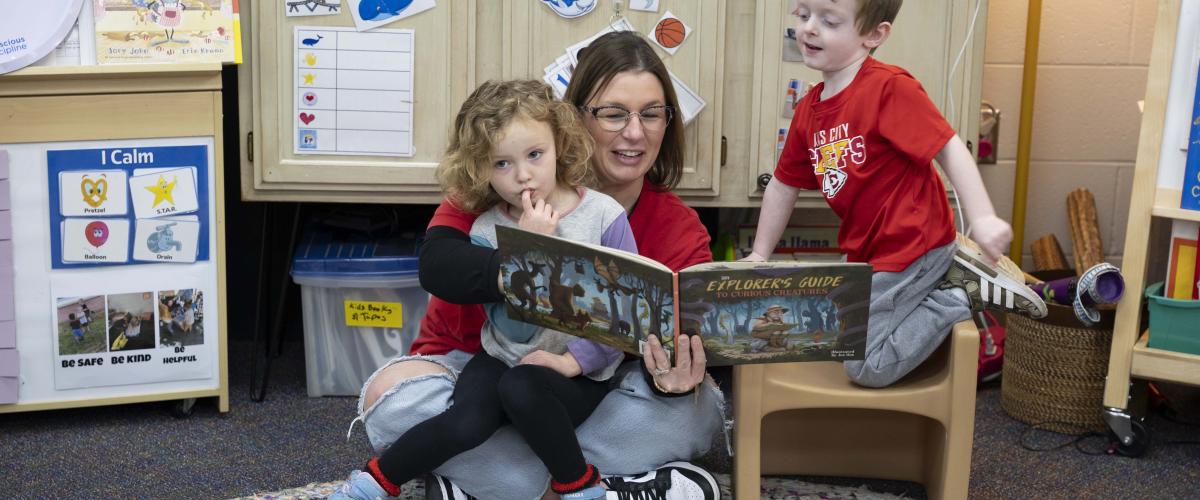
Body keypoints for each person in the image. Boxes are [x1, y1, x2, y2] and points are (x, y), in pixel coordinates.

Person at [347, 32, 723, 500]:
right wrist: (529, 260)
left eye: (651, 113)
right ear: (574, 118)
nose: (634, 132)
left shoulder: (675, 225)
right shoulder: (499, 184)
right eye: (613, 113)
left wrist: (672, 381)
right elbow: (438, 265)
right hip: (473, 368)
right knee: (391, 400)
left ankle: (479, 481)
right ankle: (612, 485)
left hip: (588, 384)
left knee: (697, 409)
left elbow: (675, 342)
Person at [334, 80, 632, 500]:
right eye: (502, 164)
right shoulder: (486, 227)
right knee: (466, 421)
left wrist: (575, 361)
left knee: (522, 390)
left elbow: (625, 314)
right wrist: (530, 250)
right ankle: (371, 484)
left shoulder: (604, 216)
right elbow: (515, 329)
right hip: (502, 356)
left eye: (534, 155)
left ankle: (579, 486)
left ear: (559, 144)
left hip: (577, 372)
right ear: (482, 169)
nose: (523, 175)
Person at [746, 0, 1048, 388]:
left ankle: (954, 297)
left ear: (874, 34)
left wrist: (984, 217)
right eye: (803, 15)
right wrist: (759, 253)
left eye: (829, 20)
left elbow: (949, 146)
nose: (809, 29)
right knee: (832, 332)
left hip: (912, 245)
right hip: (867, 253)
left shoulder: (888, 88)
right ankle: (944, 284)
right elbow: (784, 184)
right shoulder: (808, 110)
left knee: (863, 366)